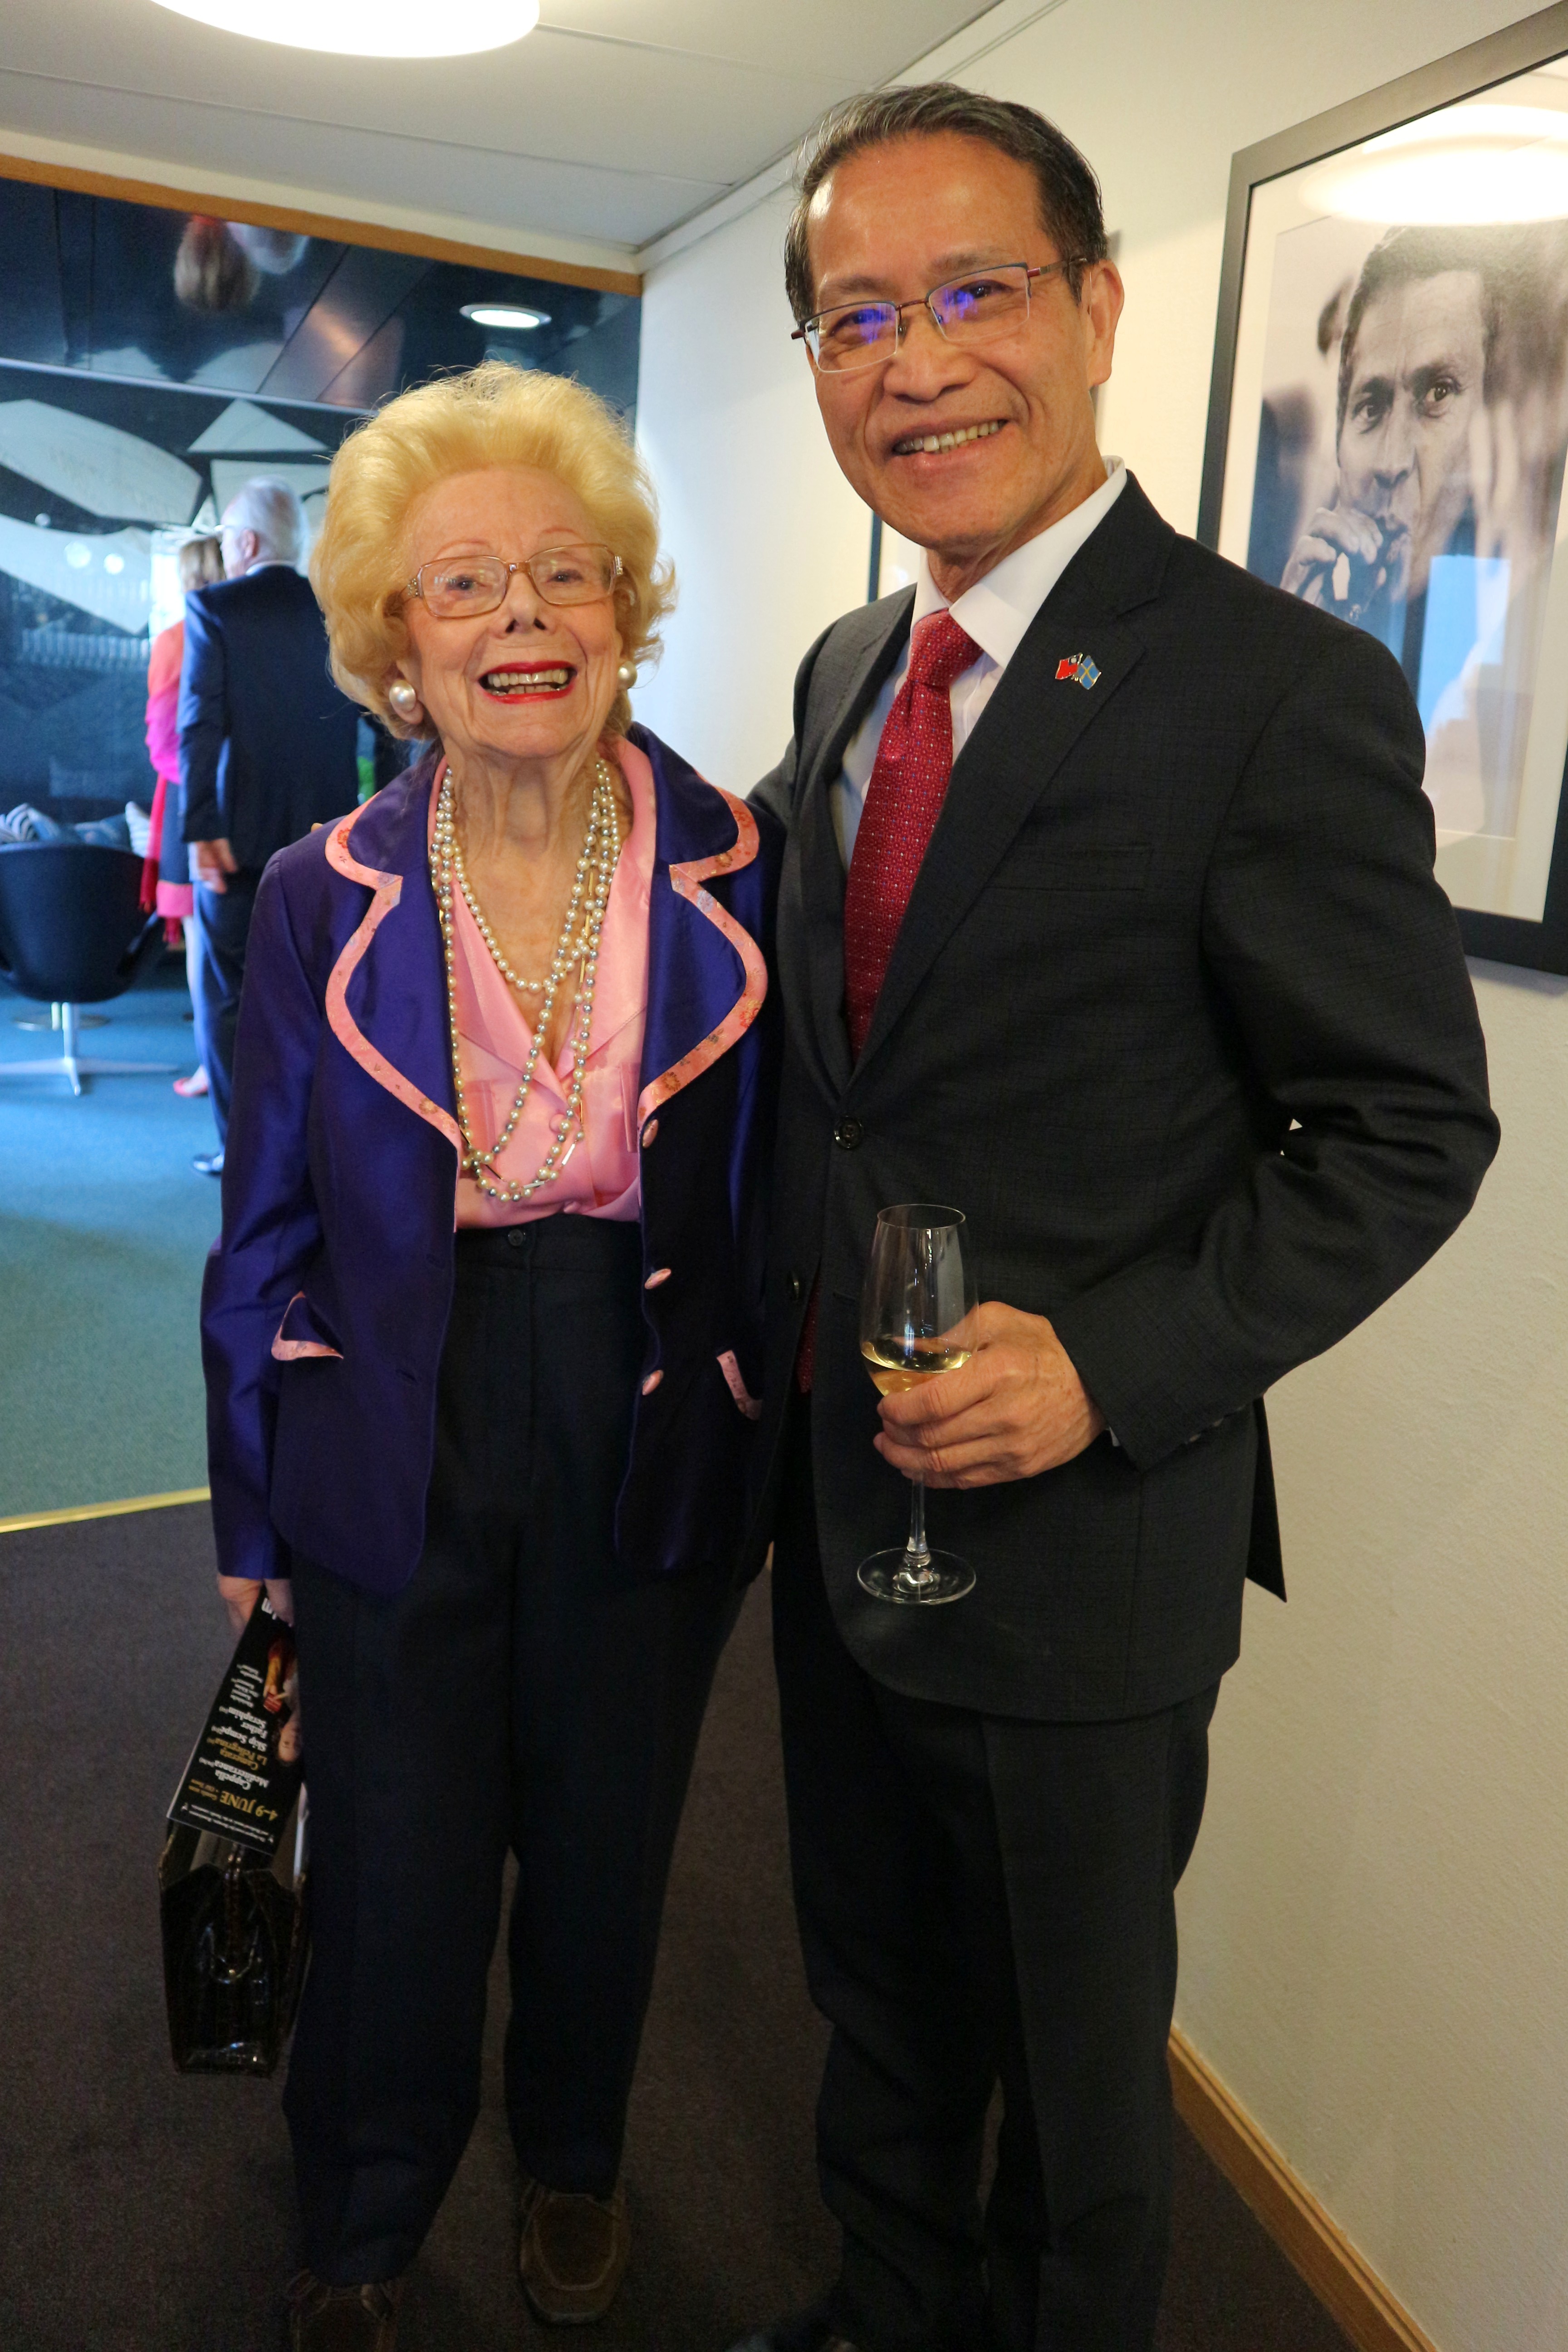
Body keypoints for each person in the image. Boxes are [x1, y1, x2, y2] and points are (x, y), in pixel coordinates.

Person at [734, 85, 1499, 2352]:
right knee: (872, 1992)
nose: (914, 360)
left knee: (1071, 2084)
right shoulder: (850, 670)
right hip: (842, 1492)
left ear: (1092, 306)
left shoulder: (1271, 688)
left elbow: (1402, 1127)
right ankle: (886, 2307)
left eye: (970, 291)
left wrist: (1111, 1362)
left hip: (1078, 1552)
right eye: (854, 316)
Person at [201, 361, 780, 2352]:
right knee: (393, 1844)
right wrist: (251, 1512)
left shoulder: (741, 860)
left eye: (563, 571)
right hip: (392, 1396)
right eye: (462, 584)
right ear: (395, 639)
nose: (520, 616)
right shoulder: (316, 892)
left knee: (609, 1830)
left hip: (643, 1393)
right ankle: (365, 2216)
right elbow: (262, 1216)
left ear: (623, 604)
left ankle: (576, 2158)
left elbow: (787, 1182)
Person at [180, 475, 360, 1176]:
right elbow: (382, 726)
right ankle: (314, 1153)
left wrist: (201, 829)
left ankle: (243, 1153)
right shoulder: (338, 613)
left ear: (248, 543)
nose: (225, 549)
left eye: (227, 537)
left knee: (229, 997)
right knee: (321, 998)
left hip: (237, 842)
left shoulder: (215, 609)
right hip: (331, 843)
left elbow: (200, 727)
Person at [1281, 227, 1497, 672]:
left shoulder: (1502, 617)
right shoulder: (1316, 588)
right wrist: (1287, 647)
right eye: (1371, 406)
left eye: (1439, 393)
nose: (1391, 462)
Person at [144, 531, 224, 1097]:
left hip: (188, 802)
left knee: (203, 942)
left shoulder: (175, 640)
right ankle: (218, 1065)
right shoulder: (244, 639)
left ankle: (212, 1066)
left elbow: (162, 745)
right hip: (238, 800)